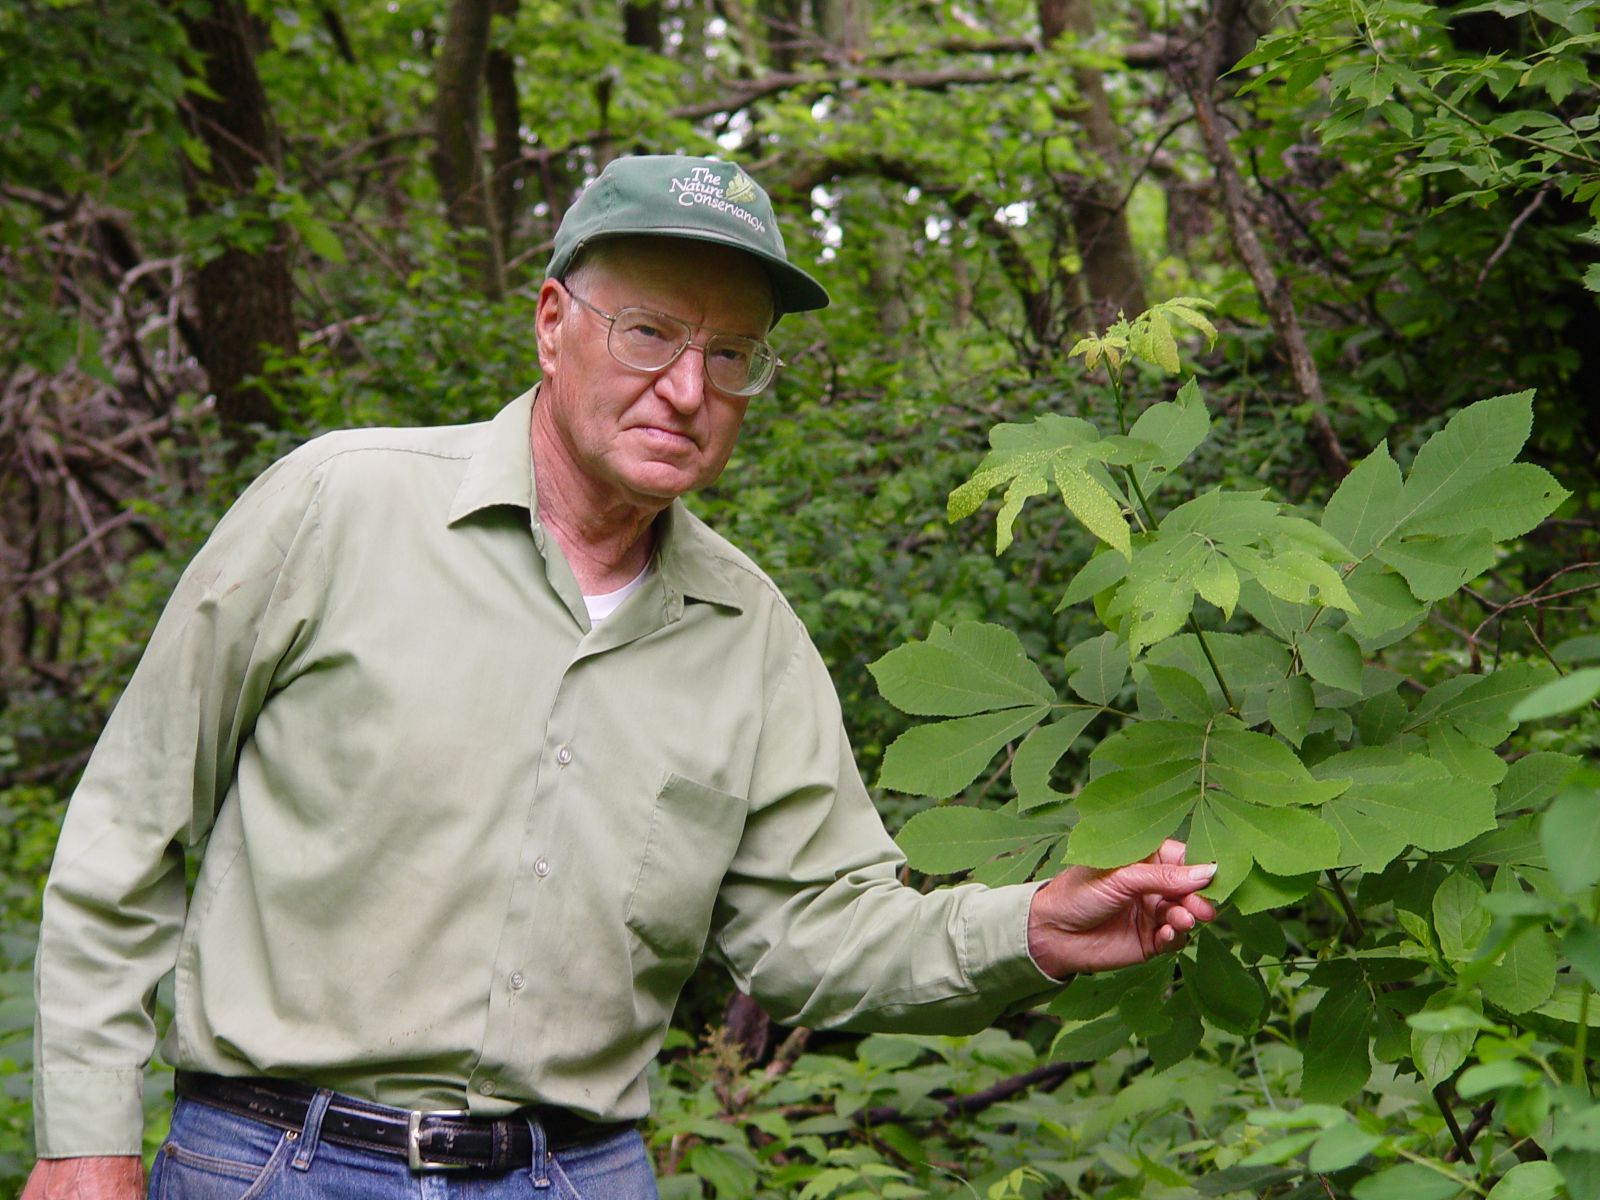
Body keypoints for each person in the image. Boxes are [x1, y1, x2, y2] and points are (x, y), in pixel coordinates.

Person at [26, 155, 1216, 1199]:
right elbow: (131, 822)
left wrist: (1035, 931)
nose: (689, 389)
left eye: (731, 355)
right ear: (552, 322)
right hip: (276, 1163)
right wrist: (86, 1140)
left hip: (576, 1174)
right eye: (647, 332)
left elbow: (810, 933)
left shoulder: (748, 632)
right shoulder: (339, 506)